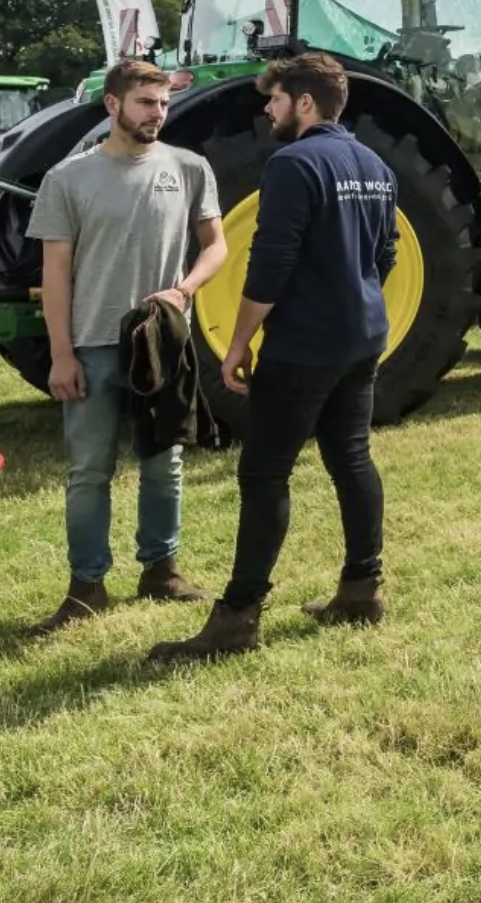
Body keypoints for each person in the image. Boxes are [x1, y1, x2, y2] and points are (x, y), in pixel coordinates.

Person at [149, 53, 398, 665]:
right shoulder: (374, 164)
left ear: (304, 102)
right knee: (352, 457)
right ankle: (361, 590)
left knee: (264, 475)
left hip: (304, 345)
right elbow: (384, 253)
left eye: (276, 99)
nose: (267, 109)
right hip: (362, 337)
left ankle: (236, 618)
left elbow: (271, 263)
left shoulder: (293, 163)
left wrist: (237, 344)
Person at [26, 60, 228, 636]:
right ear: (113, 106)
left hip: (161, 345)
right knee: (89, 471)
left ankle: (160, 571)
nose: (156, 114)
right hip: (91, 344)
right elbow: (56, 273)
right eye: (145, 103)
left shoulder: (190, 169)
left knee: (165, 465)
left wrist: (185, 288)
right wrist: (61, 354)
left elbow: (217, 247)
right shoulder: (69, 178)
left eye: (162, 104)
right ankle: (86, 587)